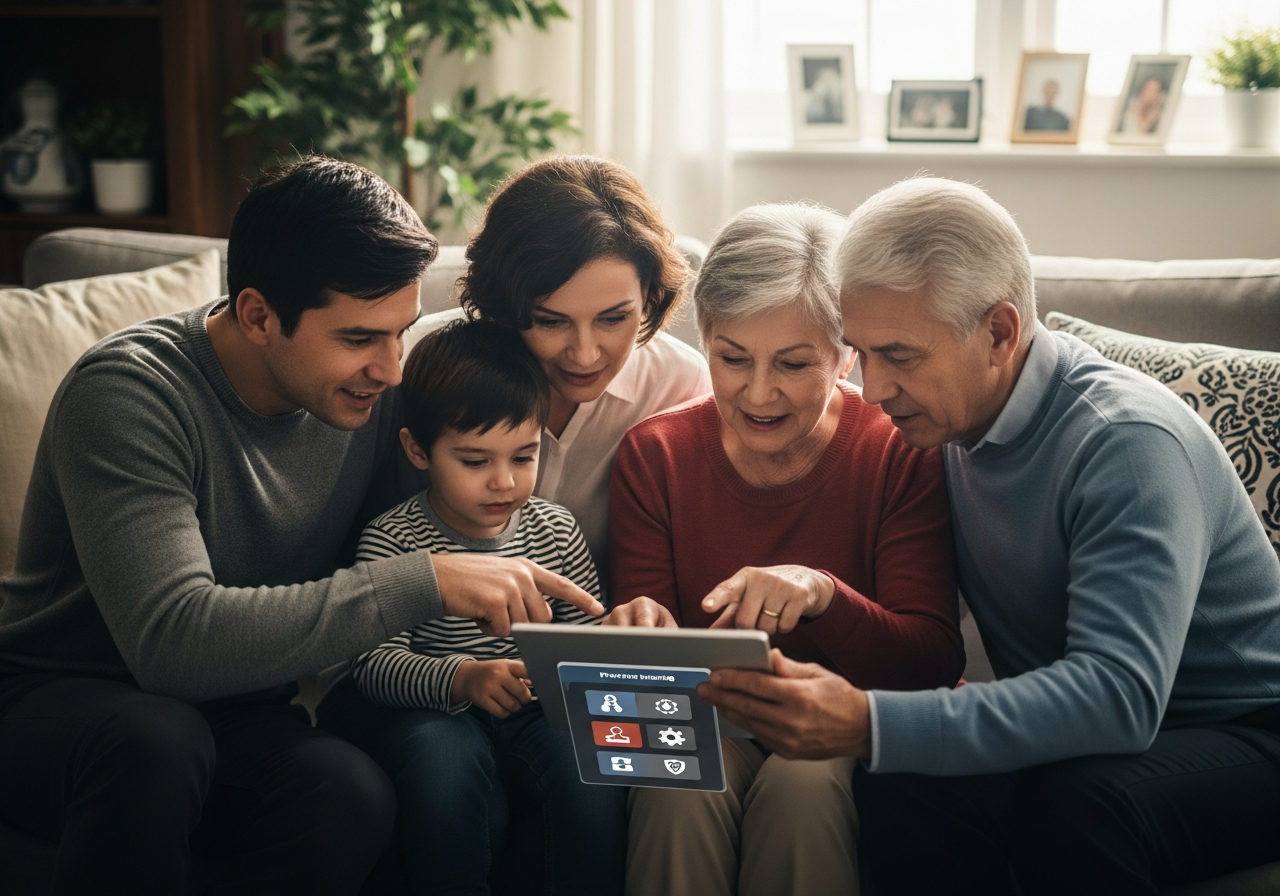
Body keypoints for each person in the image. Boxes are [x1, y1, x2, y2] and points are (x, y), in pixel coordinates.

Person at [0, 156, 601, 895]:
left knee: (349, 791)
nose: (390, 370)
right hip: (60, 705)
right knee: (158, 739)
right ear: (258, 315)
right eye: (358, 338)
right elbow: (171, 645)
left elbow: (460, 501)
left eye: (401, 333)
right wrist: (425, 582)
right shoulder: (129, 395)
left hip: (237, 715)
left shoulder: (370, 399)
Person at [695, 177, 1280, 895]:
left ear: (1000, 333)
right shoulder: (942, 425)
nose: (872, 391)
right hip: (1106, 742)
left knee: (1082, 807)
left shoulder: (1122, 442)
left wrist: (869, 720)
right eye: (862, 353)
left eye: (901, 356)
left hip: (1248, 730)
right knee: (902, 784)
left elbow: (1118, 697)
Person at [608, 203, 965, 896]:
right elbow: (643, 660)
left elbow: (932, 659)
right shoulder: (656, 455)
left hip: (854, 720)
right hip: (714, 718)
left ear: (845, 355)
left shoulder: (898, 452)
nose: (760, 391)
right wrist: (635, 631)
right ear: (703, 339)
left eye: (794, 364)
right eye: (732, 358)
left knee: (803, 787)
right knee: (678, 787)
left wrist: (823, 596)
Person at [320, 319, 625, 895]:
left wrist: (613, 631)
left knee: (592, 768)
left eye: (524, 456)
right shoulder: (394, 540)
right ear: (418, 449)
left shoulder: (556, 530)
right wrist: (462, 677)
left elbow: (587, 638)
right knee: (441, 765)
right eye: (475, 461)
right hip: (442, 712)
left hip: (538, 711)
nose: (504, 483)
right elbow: (373, 665)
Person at [457, 154, 710, 589]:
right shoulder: (419, 361)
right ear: (503, 306)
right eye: (551, 322)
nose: (586, 355)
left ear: (649, 295)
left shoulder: (680, 384)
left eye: (613, 319)